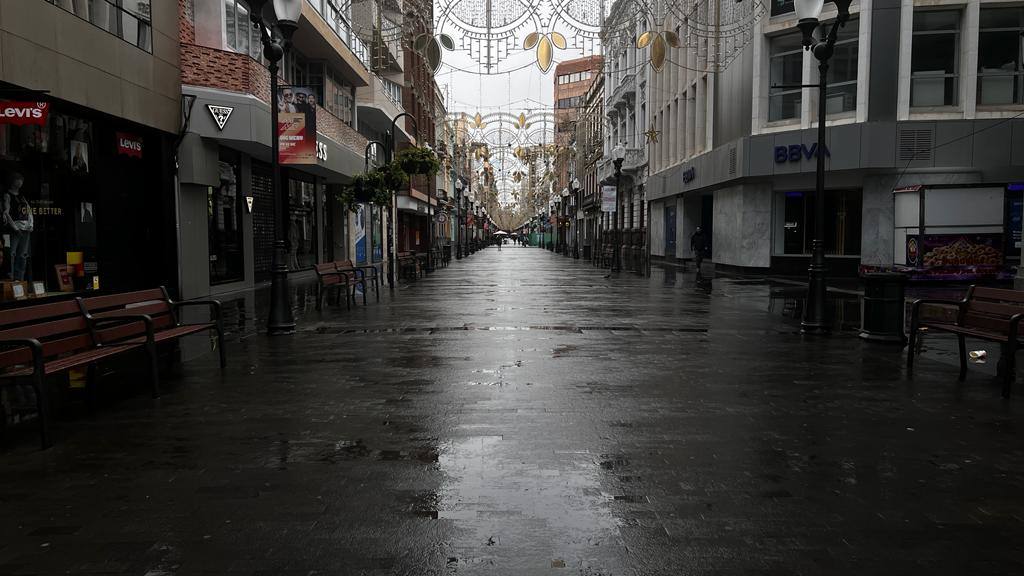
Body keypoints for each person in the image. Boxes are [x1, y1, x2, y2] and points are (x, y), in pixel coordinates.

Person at [3, 173, 32, 281]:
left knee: (23, 254)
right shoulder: (7, 195)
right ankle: (11, 277)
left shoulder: (22, 196)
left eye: (21, 180)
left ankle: (20, 278)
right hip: (14, 228)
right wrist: (15, 228)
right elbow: (6, 213)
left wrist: (31, 224)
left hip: (26, 228)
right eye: (17, 179)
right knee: (12, 253)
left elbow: (29, 211)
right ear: (12, 181)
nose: (20, 182)